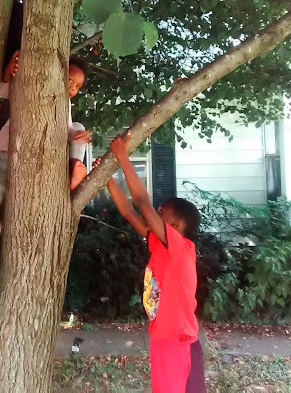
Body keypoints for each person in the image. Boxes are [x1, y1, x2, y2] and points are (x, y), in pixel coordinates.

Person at [94, 131, 205, 393]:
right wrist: (107, 178)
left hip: (178, 343)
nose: (155, 214)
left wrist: (122, 156)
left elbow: (142, 202)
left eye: (160, 213)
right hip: (164, 339)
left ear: (176, 226)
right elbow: (129, 211)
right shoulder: (161, 243)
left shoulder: (180, 247)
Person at [0, 55, 92, 217]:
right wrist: (7, 73)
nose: (73, 88)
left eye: (78, 86)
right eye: (69, 80)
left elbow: (67, 129)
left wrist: (80, 136)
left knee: (78, 128)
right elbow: (4, 91)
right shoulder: (36, 85)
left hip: (37, 155)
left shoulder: (65, 103)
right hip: (10, 147)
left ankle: (74, 168)